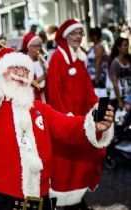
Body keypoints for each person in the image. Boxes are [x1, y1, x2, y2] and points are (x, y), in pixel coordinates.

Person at [0, 48, 114, 210]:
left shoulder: (39, 109)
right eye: (14, 67)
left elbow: (67, 126)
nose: (21, 72)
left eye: (24, 69)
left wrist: (93, 123)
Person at [47, 19, 111, 209]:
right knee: (65, 167)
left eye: (81, 33)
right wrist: (66, 120)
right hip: (68, 125)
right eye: (75, 33)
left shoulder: (79, 60)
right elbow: (55, 93)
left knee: (81, 165)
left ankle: (76, 199)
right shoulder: (58, 58)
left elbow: (88, 91)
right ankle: (65, 201)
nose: (79, 37)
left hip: (83, 123)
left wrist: (99, 106)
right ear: (66, 35)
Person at [107, 37, 131, 111]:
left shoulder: (129, 60)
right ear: (119, 48)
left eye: (127, 45)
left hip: (128, 95)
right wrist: (119, 100)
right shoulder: (115, 62)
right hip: (118, 96)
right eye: (125, 45)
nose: (127, 47)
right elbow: (114, 83)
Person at [25, 34, 48, 102]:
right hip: (32, 98)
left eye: (40, 46)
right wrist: (43, 77)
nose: (39, 49)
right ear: (29, 47)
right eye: (36, 46)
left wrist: (44, 67)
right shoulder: (25, 62)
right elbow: (28, 84)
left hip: (43, 97)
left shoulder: (41, 60)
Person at [86, 27, 109, 97]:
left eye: (91, 35)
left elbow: (98, 63)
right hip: (92, 78)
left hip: (98, 79)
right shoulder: (93, 47)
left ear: (95, 36)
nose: (90, 37)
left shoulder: (99, 47)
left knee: (100, 99)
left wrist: (97, 79)